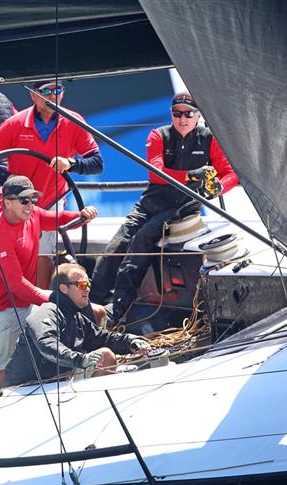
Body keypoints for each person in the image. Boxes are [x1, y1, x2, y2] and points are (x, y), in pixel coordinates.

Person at [90, 92, 239, 321]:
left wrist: (219, 187)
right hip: (150, 203)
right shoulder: (158, 135)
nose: (182, 118)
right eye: (177, 113)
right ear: (171, 114)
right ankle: (91, 304)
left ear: (198, 116)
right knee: (117, 245)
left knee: (143, 238)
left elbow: (230, 174)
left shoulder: (209, 138)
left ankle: (116, 311)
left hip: (183, 206)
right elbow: (156, 173)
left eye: (188, 114)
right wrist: (190, 175)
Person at [0, 81, 104, 288]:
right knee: (1, 253)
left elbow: (96, 163)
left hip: (51, 201)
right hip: (17, 201)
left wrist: (70, 163)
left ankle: (39, 307)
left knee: (43, 254)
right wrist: (8, 180)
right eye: (46, 91)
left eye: (57, 90)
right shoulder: (15, 123)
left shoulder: (73, 121)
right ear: (33, 96)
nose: (52, 96)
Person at [0, 176, 97, 388]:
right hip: (3, 310)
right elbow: (15, 284)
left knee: (94, 313)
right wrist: (53, 298)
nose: (30, 205)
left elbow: (56, 218)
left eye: (33, 199)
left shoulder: (33, 214)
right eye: (24, 200)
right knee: (3, 369)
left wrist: (81, 216)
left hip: (28, 303)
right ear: (7, 202)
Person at [4, 263, 151, 387]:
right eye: (81, 284)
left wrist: (131, 342)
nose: (87, 288)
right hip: (27, 388)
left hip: (56, 383)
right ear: (63, 288)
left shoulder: (76, 317)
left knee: (106, 355)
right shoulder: (47, 312)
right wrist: (81, 360)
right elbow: (46, 344)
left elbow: (103, 338)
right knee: (104, 355)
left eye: (88, 284)